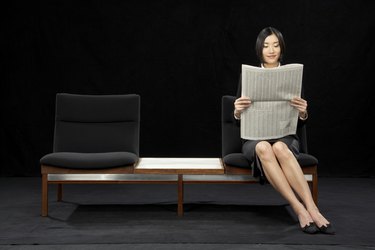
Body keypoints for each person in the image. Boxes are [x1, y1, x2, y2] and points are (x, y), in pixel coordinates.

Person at [233, 27, 335, 234]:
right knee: (263, 147)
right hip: (254, 139)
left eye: (275, 45)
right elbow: (238, 122)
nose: (271, 50)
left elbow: (301, 122)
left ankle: (313, 210)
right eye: (266, 45)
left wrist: (303, 112)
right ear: (259, 50)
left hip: (284, 137)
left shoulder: (291, 75)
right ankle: (299, 210)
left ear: (281, 48)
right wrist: (237, 111)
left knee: (279, 147)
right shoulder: (248, 76)